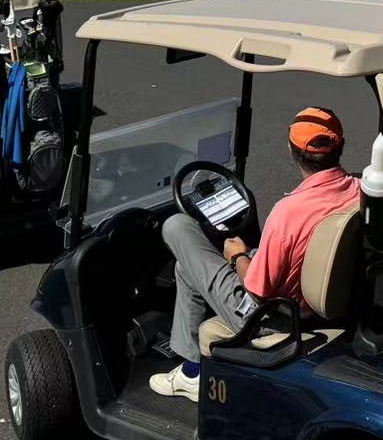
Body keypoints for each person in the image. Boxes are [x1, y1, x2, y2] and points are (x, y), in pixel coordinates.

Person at [150, 107, 361, 401]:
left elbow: (256, 289)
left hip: (268, 318)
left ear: (291, 150)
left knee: (177, 226)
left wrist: (237, 255)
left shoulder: (288, 213)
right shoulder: (358, 189)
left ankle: (194, 373)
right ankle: (191, 368)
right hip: (320, 298)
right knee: (186, 268)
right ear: (341, 146)